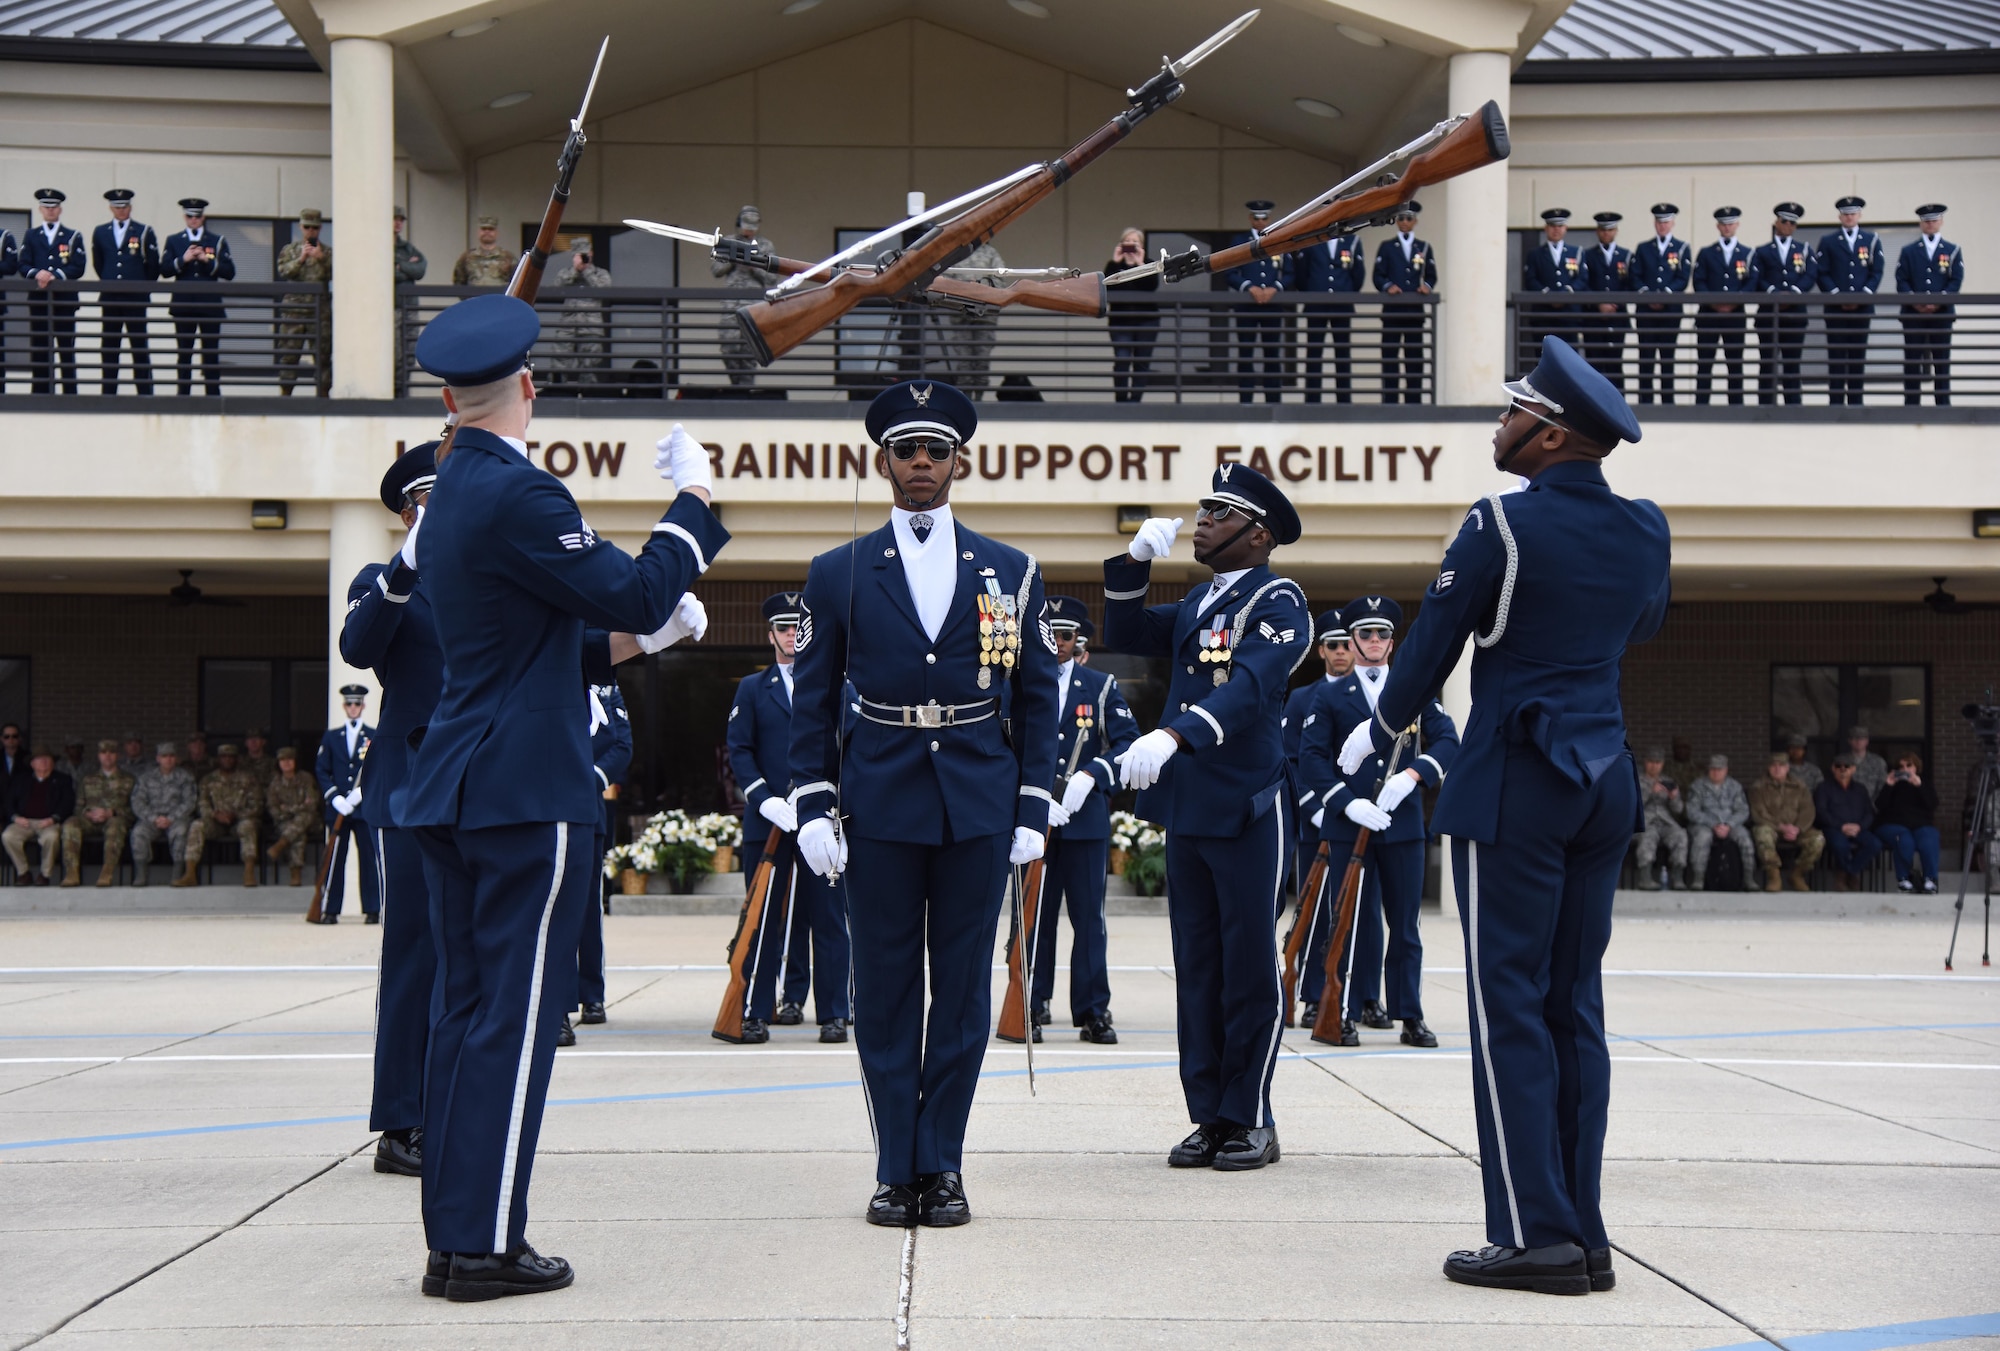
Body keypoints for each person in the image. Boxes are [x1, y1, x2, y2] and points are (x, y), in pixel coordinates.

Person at [399, 291, 725, 1298]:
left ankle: (455, 1235)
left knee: (463, 1016)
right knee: (515, 1019)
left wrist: (648, 640)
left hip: (455, 785)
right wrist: (694, 511)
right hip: (522, 793)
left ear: (451, 397)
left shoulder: (450, 490)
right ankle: (489, 1246)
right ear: (527, 389)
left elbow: (550, 643)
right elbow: (630, 589)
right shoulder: (517, 491)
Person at [1333, 332, 1667, 1296]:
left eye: (1515, 411)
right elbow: (1640, 625)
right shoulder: (1649, 527)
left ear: (1553, 434)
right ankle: (1584, 1231)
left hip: (1520, 770)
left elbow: (1435, 637)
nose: (1501, 423)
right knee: (1574, 1005)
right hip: (1604, 770)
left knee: (1507, 1005)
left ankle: (1535, 1235)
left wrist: (1383, 726)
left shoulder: (1501, 524)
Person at [789, 377, 1056, 1227]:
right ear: (884, 460)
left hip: (976, 799)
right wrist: (810, 803)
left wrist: (1032, 806)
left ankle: (942, 1163)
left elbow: (1039, 695)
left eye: (935, 450)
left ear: (957, 462)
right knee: (889, 990)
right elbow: (813, 697)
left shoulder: (1010, 570)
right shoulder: (838, 572)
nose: (920, 464)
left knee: (965, 997)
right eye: (906, 450)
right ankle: (893, 1164)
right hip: (881, 800)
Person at [1105, 463, 1311, 1173]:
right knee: (1198, 967)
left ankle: (1251, 1113)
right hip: (1192, 805)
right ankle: (1210, 1115)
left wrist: (1174, 734)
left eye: (1218, 513)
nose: (1201, 521)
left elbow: (1251, 687)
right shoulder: (1200, 602)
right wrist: (1134, 561)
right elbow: (1127, 629)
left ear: (1256, 534)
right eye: (1201, 510)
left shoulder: (1280, 600)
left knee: (1250, 967)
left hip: (1249, 806)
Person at [338, 443, 444, 1176]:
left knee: (466, 956)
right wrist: (405, 564)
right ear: (409, 509)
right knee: (413, 953)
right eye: (434, 500)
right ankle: (401, 1122)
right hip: (409, 789)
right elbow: (358, 644)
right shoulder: (381, 578)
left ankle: (449, 1105)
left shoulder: (482, 579)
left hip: (478, 790)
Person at [1299, 595, 1458, 1046]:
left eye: (1381, 633)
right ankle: (1342, 1010)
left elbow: (1449, 741)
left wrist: (1413, 775)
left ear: (1393, 642)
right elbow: (1311, 760)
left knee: (1405, 926)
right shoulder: (1328, 695)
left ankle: (1410, 1014)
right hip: (1349, 824)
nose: (1373, 641)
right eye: (1364, 633)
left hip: (1402, 824)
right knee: (1344, 921)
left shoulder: (1415, 691)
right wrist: (1345, 803)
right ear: (1351, 640)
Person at [726, 591, 851, 1043]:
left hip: (823, 823)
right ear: (770, 635)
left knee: (830, 920)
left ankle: (834, 1011)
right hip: (770, 824)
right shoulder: (752, 689)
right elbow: (738, 750)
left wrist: (840, 809)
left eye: (798, 628)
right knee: (764, 922)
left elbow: (849, 750)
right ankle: (757, 1011)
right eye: (783, 628)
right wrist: (762, 799)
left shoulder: (836, 687)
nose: (791, 636)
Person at [1032, 594, 1138, 1042]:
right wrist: (1034, 798)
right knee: (1035, 916)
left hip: (1084, 819)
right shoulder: (1022, 682)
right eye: (1050, 633)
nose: (1057, 642)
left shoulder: (1101, 685)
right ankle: (1031, 1005)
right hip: (1034, 820)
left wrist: (1093, 775)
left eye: (1066, 635)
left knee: (1088, 920)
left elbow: (1127, 742)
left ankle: (1093, 1010)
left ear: (1079, 641)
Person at [1287, 610, 1350, 1025]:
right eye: (1333, 645)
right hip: (1315, 819)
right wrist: (1313, 805)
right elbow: (1291, 760)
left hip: (1352, 817)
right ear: (1321, 650)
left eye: (1347, 645)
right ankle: (1311, 995)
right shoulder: (1301, 697)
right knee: (1314, 910)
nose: (1341, 652)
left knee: (1351, 913)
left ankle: (1357, 998)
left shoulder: (1375, 694)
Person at [567, 674, 633, 1044]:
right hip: (546, 804)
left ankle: (591, 994)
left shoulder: (606, 688)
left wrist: (590, 777)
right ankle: (557, 1003)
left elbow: (622, 745)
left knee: (588, 906)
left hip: (588, 808)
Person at [314, 684, 379, 924]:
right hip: (339, 809)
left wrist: (359, 794)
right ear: (344, 706)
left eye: (357, 703)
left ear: (363, 706)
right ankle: (330, 909)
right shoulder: (331, 737)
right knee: (334, 859)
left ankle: (373, 909)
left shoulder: (373, 736)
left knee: (368, 860)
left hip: (362, 808)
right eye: (349, 704)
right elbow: (321, 769)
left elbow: (377, 770)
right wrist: (335, 797)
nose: (353, 707)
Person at [160, 199, 234, 396]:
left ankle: (212, 396)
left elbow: (229, 272)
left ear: (203, 217)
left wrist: (206, 260)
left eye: (198, 216)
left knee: (210, 354)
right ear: (185, 217)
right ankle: (183, 396)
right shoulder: (174, 240)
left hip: (210, 305)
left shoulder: (216, 240)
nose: (194, 220)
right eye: (190, 216)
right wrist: (183, 260)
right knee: (184, 353)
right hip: (183, 305)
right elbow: (165, 270)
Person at [1817, 197, 1884, 406]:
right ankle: (1835, 404)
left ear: (1859, 215)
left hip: (1861, 308)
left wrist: (1863, 295)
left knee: (1857, 358)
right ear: (1839, 216)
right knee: (1836, 358)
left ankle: (1856, 403)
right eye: (1845, 213)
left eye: (1853, 213)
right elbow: (1822, 272)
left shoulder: (1871, 240)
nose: (1849, 216)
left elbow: (1877, 271)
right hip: (1836, 309)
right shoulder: (1828, 241)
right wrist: (1837, 295)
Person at [92, 188, 159, 395]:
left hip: (135, 298)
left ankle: (145, 394)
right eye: (117, 207)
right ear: (111, 208)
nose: (121, 211)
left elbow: (153, 266)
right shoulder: (100, 231)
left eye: (124, 206)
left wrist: (140, 286)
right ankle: (109, 393)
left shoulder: (144, 230)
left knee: (139, 346)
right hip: (111, 297)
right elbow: (99, 263)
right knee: (110, 347)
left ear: (130, 207)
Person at [1896, 204, 1962, 407]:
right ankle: (1911, 405)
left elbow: (1955, 280)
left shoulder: (1952, 250)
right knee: (1912, 361)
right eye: (1926, 220)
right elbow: (1902, 279)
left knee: (1941, 362)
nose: (1930, 224)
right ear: (1921, 223)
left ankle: (1943, 405)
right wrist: (1916, 301)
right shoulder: (1908, 251)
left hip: (1941, 314)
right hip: (1913, 314)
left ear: (1941, 222)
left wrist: (1938, 300)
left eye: (1934, 220)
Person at [21, 189, 86, 396]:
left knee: (66, 350)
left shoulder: (72, 235)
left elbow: (78, 266)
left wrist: (55, 275)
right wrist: (37, 273)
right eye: (46, 207)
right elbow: (22, 264)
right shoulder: (31, 235)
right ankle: (41, 394)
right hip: (40, 301)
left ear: (60, 209)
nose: (50, 210)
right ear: (40, 209)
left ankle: (70, 396)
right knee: (40, 349)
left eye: (54, 206)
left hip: (64, 302)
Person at [1751, 203, 1816, 406]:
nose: (1788, 225)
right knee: (1768, 362)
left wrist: (1794, 294)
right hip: (1769, 314)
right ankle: (1765, 405)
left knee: (1792, 364)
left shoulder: (1804, 249)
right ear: (1776, 223)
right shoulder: (1762, 251)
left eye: (1792, 222)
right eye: (1784, 221)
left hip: (1795, 314)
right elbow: (1757, 277)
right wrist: (1775, 295)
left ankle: (1793, 406)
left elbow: (1811, 275)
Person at [1292, 229, 1367, 404]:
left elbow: (1358, 275)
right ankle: (1312, 400)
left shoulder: (1352, 240)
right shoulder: (1311, 238)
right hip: (1316, 304)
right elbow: (1302, 274)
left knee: (1342, 355)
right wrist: (1313, 293)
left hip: (1342, 305)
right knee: (1314, 355)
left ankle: (1343, 401)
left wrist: (1345, 293)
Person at [1228, 201, 1292, 404]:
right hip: (1247, 306)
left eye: (1264, 218)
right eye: (1257, 218)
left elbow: (1291, 272)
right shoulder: (1240, 241)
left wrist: (1275, 288)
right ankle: (1246, 400)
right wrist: (1249, 287)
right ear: (1250, 219)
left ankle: (1273, 400)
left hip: (1272, 305)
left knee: (1272, 353)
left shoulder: (1279, 240)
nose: (1261, 222)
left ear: (1270, 219)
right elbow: (1230, 272)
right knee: (1246, 352)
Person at [1692, 207, 1755, 406]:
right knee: (1705, 364)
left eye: (1731, 223)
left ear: (1737, 225)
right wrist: (1715, 302)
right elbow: (1699, 281)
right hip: (1709, 316)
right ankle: (1701, 406)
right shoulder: (1707, 253)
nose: (1727, 227)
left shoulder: (1747, 253)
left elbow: (1751, 282)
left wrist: (1734, 302)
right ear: (1718, 226)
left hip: (1735, 316)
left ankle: (1736, 406)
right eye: (1723, 224)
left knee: (1735, 364)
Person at [711, 206, 780, 387]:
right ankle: (736, 386)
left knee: (750, 351)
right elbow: (716, 270)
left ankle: (745, 389)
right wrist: (733, 259)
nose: (749, 230)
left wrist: (754, 265)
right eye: (746, 225)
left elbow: (772, 278)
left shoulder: (765, 245)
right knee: (728, 348)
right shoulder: (728, 242)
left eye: (753, 226)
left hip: (754, 307)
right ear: (738, 224)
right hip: (730, 306)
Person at [1374, 203, 1435, 403]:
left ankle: (1413, 400)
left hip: (1413, 310)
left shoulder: (1423, 247)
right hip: (1393, 309)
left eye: (1409, 218)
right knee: (1390, 357)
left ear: (1415, 221)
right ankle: (1390, 400)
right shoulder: (1387, 246)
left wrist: (1426, 286)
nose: (1405, 222)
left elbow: (1431, 276)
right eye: (1401, 218)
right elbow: (1378, 275)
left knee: (1414, 358)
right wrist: (1387, 285)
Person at [1631, 204, 1691, 405]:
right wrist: (1649, 296)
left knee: (1667, 359)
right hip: (1646, 311)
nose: (1662, 225)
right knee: (1646, 358)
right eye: (1659, 221)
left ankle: (1667, 403)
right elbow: (1636, 276)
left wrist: (1664, 295)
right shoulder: (1643, 248)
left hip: (1670, 312)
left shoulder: (1682, 248)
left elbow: (1683, 278)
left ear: (1672, 223)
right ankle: (1645, 402)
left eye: (1665, 222)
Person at [929, 239, 1004, 396]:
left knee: (982, 357)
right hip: (960, 313)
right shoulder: (956, 254)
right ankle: (966, 396)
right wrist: (963, 290)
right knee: (963, 358)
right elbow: (943, 281)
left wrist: (979, 288)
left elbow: (1000, 279)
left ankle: (979, 397)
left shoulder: (990, 253)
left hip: (985, 314)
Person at [60, 740, 133, 888]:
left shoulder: (129, 780)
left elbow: (134, 810)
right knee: (70, 823)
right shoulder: (87, 779)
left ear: (117, 756)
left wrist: (111, 812)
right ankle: (72, 873)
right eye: (103, 753)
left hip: (114, 820)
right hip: (90, 820)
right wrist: (87, 814)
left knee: (116, 824)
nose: (107, 756)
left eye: (111, 753)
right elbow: (78, 807)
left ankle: (107, 873)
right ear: (99, 756)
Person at [188, 744, 263, 888]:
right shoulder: (208, 779)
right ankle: (190, 872)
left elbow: (257, 805)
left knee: (248, 826)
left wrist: (236, 815)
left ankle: (249, 872)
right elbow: (202, 803)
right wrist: (214, 814)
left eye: (231, 757)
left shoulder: (248, 779)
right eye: (224, 757)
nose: (227, 760)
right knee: (197, 825)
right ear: (218, 759)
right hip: (216, 822)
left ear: (237, 759)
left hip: (239, 821)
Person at [275, 208, 333, 397]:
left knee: (322, 355)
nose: (311, 231)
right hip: (294, 310)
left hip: (319, 311)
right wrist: (301, 258)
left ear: (320, 228)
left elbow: (338, 275)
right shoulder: (290, 250)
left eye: (314, 228)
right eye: (307, 227)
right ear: (301, 227)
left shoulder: (327, 252)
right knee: (289, 354)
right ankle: (286, 393)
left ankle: (323, 394)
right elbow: (284, 271)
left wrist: (321, 258)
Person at [1747, 752, 1823, 892]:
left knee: (1817, 839)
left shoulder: (1799, 786)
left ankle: (1797, 875)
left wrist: (1797, 829)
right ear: (1768, 768)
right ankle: (1774, 876)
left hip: (1796, 829)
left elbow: (1808, 810)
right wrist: (1780, 827)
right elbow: (1758, 813)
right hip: (1772, 828)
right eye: (1773, 766)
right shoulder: (1758, 787)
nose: (1777, 769)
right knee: (1762, 833)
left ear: (1787, 768)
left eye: (1781, 766)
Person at [128, 743, 198, 888]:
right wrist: (153, 818)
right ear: (158, 758)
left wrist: (171, 818)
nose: (168, 759)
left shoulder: (185, 777)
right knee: (138, 833)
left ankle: (177, 873)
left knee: (181, 832)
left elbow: (190, 801)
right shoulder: (146, 778)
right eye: (164, 756)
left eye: (171, 756)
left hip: (177, 819)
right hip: (152, 819)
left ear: (176, 758)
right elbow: (138, 802)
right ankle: (141, 873)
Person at [1105, 227, 1160, 403]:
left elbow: (1152, 286)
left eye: (1135, 242)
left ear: (1142, 246)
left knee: (1142, 363)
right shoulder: (1114, 266)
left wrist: (1140, 263)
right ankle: (1121, 401)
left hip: (1147, 322)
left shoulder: (1149, 264)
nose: (1130, 245)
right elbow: (1106, 287)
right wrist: (1115, 261)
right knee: (1122, 360)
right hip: (1121, 322)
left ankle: (1135, 402)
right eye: (1127, 241)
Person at [1813, 752, 1883, 891]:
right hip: (1834, 828)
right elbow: (1821, 812)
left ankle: (1848, 872)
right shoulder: (1823, 788)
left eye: (1847, 766)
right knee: (1840, 845)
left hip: (1858, 829)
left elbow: (1869, 812)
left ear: (1853, 769)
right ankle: (1850, 875)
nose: (1842, 769)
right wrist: (1841, 826)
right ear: (1833, 769)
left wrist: (1859, 826)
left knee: (1875, 844)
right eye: (1838, 766)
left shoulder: (1860, 789)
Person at [4, 747, 74, 885]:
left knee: (52, 837)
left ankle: (44, 875)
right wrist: (15, 817)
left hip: (49, 822)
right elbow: (8, 802)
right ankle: (23, 873)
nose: (44, 761)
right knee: (8, 836)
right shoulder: (21, 780)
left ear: (53, 763)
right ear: (32, 764)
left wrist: (54, 818)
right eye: (39, 759)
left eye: (48, 759)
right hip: (24, 822)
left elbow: (68, 803)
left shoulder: (62, 780)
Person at [1580, 212, 1633, 392]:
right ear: (1597, 231)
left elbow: (1630, 285)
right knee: (1594, 365)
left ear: (1616, 231)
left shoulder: (1626, 256)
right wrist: (1598, 303)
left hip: (1617, 317)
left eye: (1610, 229)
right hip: (1594, 318)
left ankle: (1618, 406)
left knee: (1615, 364)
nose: (1606, 233)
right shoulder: (1587, 255)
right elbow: (1583, 283)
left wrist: (1614, 303)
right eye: (1603, 229)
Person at [1873, 752, 1940, 894]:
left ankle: (1930, 880)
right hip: (1893, 824)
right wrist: (1889, 785)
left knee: (1929, 837)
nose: (1905, 769)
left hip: (1919, 825)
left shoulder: (1924, 783)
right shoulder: (1892, 784)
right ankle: (1904, 879)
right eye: (1901, 766)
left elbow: (1933, 804)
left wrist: (1919, 786)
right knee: (1904, 838)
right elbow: (1880, 805)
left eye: (1909, 765)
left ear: (1916, 767)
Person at [549, 241, 613, 389]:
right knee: (559, 360)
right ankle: (558, 392)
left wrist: (586, 271)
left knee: (590, 365)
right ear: (573, 256)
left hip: (591, 326)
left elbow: (604, 289)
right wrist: (575, 271)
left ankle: (588, 395)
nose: (585, 258)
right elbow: (556, 287)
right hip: (568, 325)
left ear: (591, 254)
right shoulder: (566, 273)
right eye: (580, 255)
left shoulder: (600, 273)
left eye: (587, 254)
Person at [1687, 753, 1754, 890]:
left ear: (1726, 770)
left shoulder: (1735, 787)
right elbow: (1692, 811)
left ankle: (1749, 879)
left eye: (1719, 769)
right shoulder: (1698, 786)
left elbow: (1743, 811)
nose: (1716, 772)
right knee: (1702, 838)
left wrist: (1728, 825)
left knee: (1745, 839)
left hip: (1730, 824)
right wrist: (1713, 824)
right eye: (1713, 769)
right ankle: (1698, 879)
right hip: (1704, 824)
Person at [1520, 208, 1582, 358]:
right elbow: (1530, 279)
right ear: (1546, 228)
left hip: (1569, 316)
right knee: (1544, 358)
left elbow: (1582, 279)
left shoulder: (1576, 252)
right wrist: (1547, 295)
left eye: (1560, 226)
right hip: (1544, 315)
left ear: (1565, 228)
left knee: (1570, 359)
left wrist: (1566, 294)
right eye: (1553, 226)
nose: (1556, 230)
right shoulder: (1535, 254)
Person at [1633, 748, 1688, 891]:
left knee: (1680, 835)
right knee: (1648, 836)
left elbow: (1679, 810)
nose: (1654, 765)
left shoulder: (1668, 781)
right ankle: (1645, 878)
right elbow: (1631, 806)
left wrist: (1674, 796)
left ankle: (1678, 877)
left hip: (1665, 821)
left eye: (1658, 762)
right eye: (1651, 762)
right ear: (1645, 763)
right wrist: (1650, 792)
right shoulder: (1636, 779)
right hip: (1645, 821)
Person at [265, 747, 319, 886]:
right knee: (298, 833)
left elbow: (311, 804)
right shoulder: (275, 783)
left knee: (304, 817)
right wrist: (297, 808)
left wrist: (288, 809)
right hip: (285, 822)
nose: (286, 763)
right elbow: (273, 808)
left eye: (289, 759)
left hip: (308, 821)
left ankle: (280, 845)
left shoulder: (306, 779)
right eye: (283, 760)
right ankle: (295, 872)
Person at [452, 216, 517, 287]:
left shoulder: (508, 257)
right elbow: (458, 283)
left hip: (499, 297)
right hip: (475, 297)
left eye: (491, 229)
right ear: (478, 232)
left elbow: (517, 282)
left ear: (496, 233)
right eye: (483, 229)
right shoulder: (467, 257)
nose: (487, 232)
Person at [1845, 726, 1888, 799]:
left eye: (1861, 738)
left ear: (1867, 741)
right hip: (1846, 806)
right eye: (1855, 738)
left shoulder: (1878, 762)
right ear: (1849, 741)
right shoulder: (1841, 762)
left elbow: (1882, 788)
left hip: (1871, 806)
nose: (1858, 741)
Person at [394, 206, 428, 283]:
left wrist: (401, 266)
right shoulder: (381, 247)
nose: (398, 223)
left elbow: (421, 270)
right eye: (395, 219)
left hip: (408, 294)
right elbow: (386, 274)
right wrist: (409, 269)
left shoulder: (407, 247)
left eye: (401, 220)